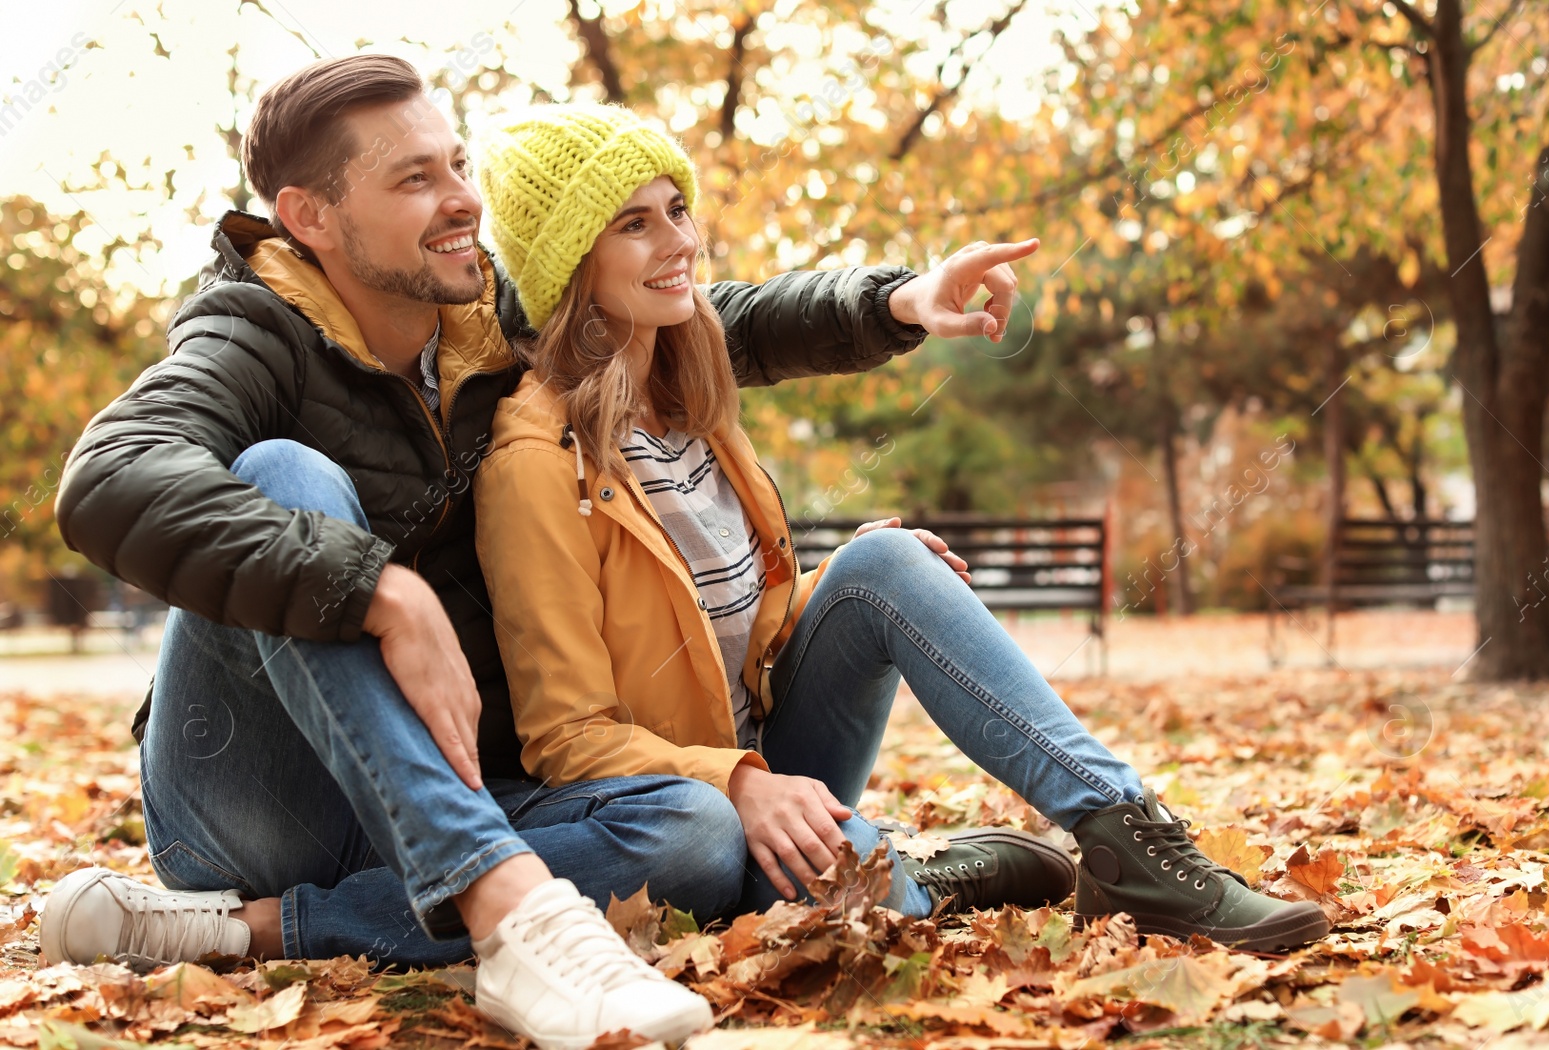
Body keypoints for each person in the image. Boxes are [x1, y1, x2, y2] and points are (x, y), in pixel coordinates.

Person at [40, 55, 1031, 1049]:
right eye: (413, 178)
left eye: (456, 164)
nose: (462, 200)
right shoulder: (247, 334)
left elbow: (694, 313)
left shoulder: (489, 317)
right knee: (285, 476)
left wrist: (894, 303)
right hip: (265, 798)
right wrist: (371, 584)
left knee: (695, 830)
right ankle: (517, 916)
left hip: (447, 787)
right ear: (310, 217)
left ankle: (263, 932)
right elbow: (111, 476)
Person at [472, 103, 1334, 952]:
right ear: (570, 266)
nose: (679, 243)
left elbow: (721, 634)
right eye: (634, 224)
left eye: (679, 209)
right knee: (854, 882)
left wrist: (838, 588)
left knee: (882, 560)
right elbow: (566, 737)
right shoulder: (536, 463)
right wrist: (735, 783)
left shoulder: (691, 389)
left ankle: (1131, 843)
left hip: (778, 764)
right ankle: (935, 874)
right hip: (692, 802)